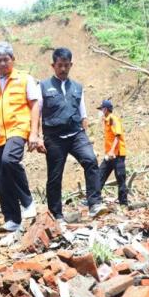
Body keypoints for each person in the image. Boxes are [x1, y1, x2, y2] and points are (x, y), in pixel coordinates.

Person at [38, 48, 106, 222]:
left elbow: (83, 114)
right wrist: (37, 137)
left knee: (90, 160)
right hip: (53, 137)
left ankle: (95, 204)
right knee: (55, 176)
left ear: (71, 65)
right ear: (53, 65)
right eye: (59, 65)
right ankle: (56, 215)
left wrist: (86, 135)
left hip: (76, 134)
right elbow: (35, 113)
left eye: (66, 65)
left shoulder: (77, 87)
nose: (63, 69)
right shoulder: (43, 86)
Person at [0, 42, 40, 232]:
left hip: (18, 128)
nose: (2, 63)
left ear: (13, 60)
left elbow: (35, 106)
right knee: (0, 177)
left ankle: (28, 202)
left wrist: (34, 133)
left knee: (9, 160)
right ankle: (12, 219)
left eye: (6, 59)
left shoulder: (24, 79)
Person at [97, 99, 129, 207]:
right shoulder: (106, 120)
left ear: (105, 109)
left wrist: (111, 151)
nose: (101, 111)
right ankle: (94, 200)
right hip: (110, 156)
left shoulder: (113, 119)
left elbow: (117, 135)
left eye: (101, 109)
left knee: (120, 178)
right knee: (100, 175)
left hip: (118, 154)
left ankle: (123, 204)